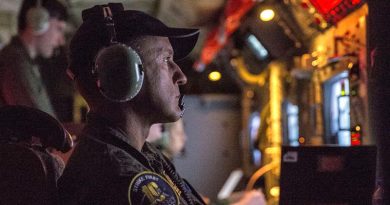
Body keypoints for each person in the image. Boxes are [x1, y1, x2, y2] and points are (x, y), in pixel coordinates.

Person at [58, 3, 266, 204]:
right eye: (166, 60)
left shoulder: (139, 155)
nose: (181, 77)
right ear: (121, 74)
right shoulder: (120, 178)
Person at [0, 0, 68, 117]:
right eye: (59, 29)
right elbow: (41, 124)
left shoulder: (23, 60)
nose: (61, 40)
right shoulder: (15, 61)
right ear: (37, 20)